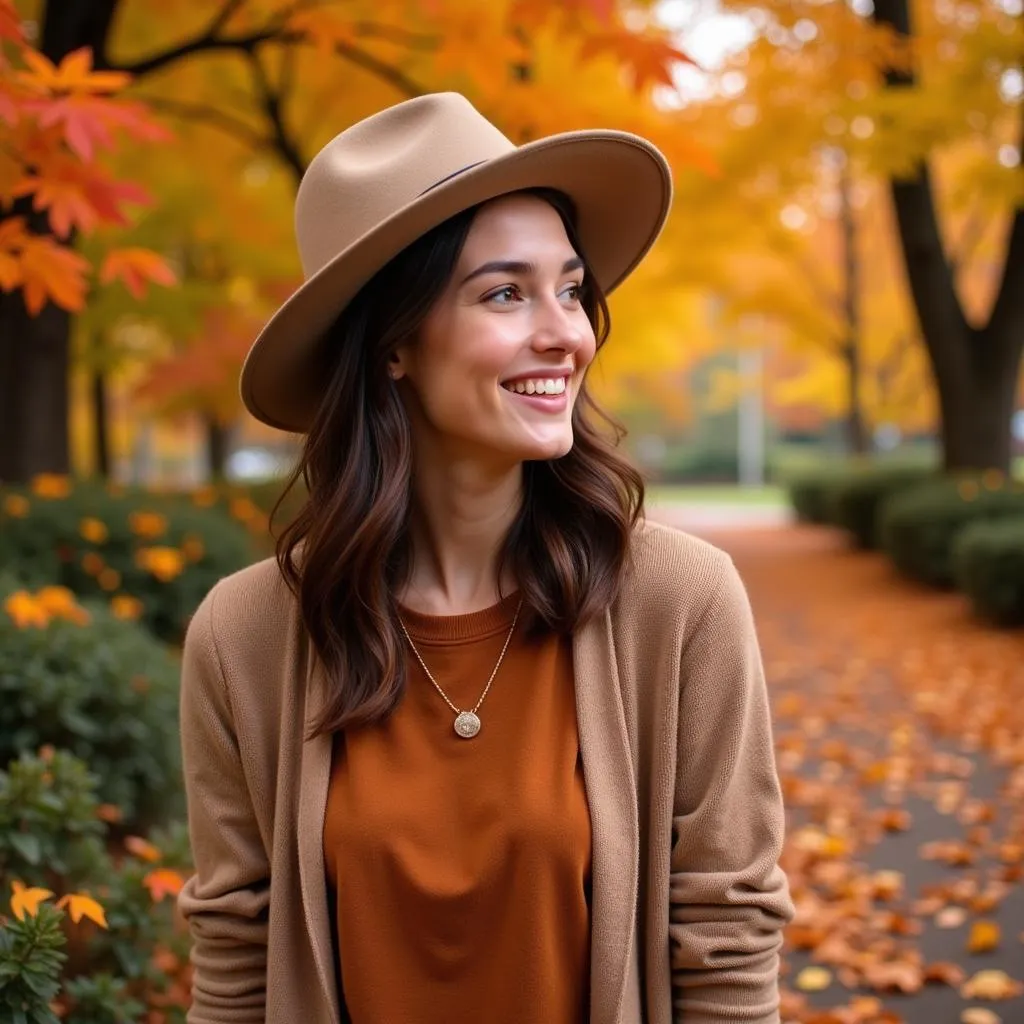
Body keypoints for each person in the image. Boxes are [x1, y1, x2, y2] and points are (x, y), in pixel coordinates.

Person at [177, 92, 794, 1024]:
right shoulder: (245, 636)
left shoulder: (679, 602)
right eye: (506, 293)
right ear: (393, 345)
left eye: (571, 288)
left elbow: (727, 939)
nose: (567, 334)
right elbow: (236, 959)